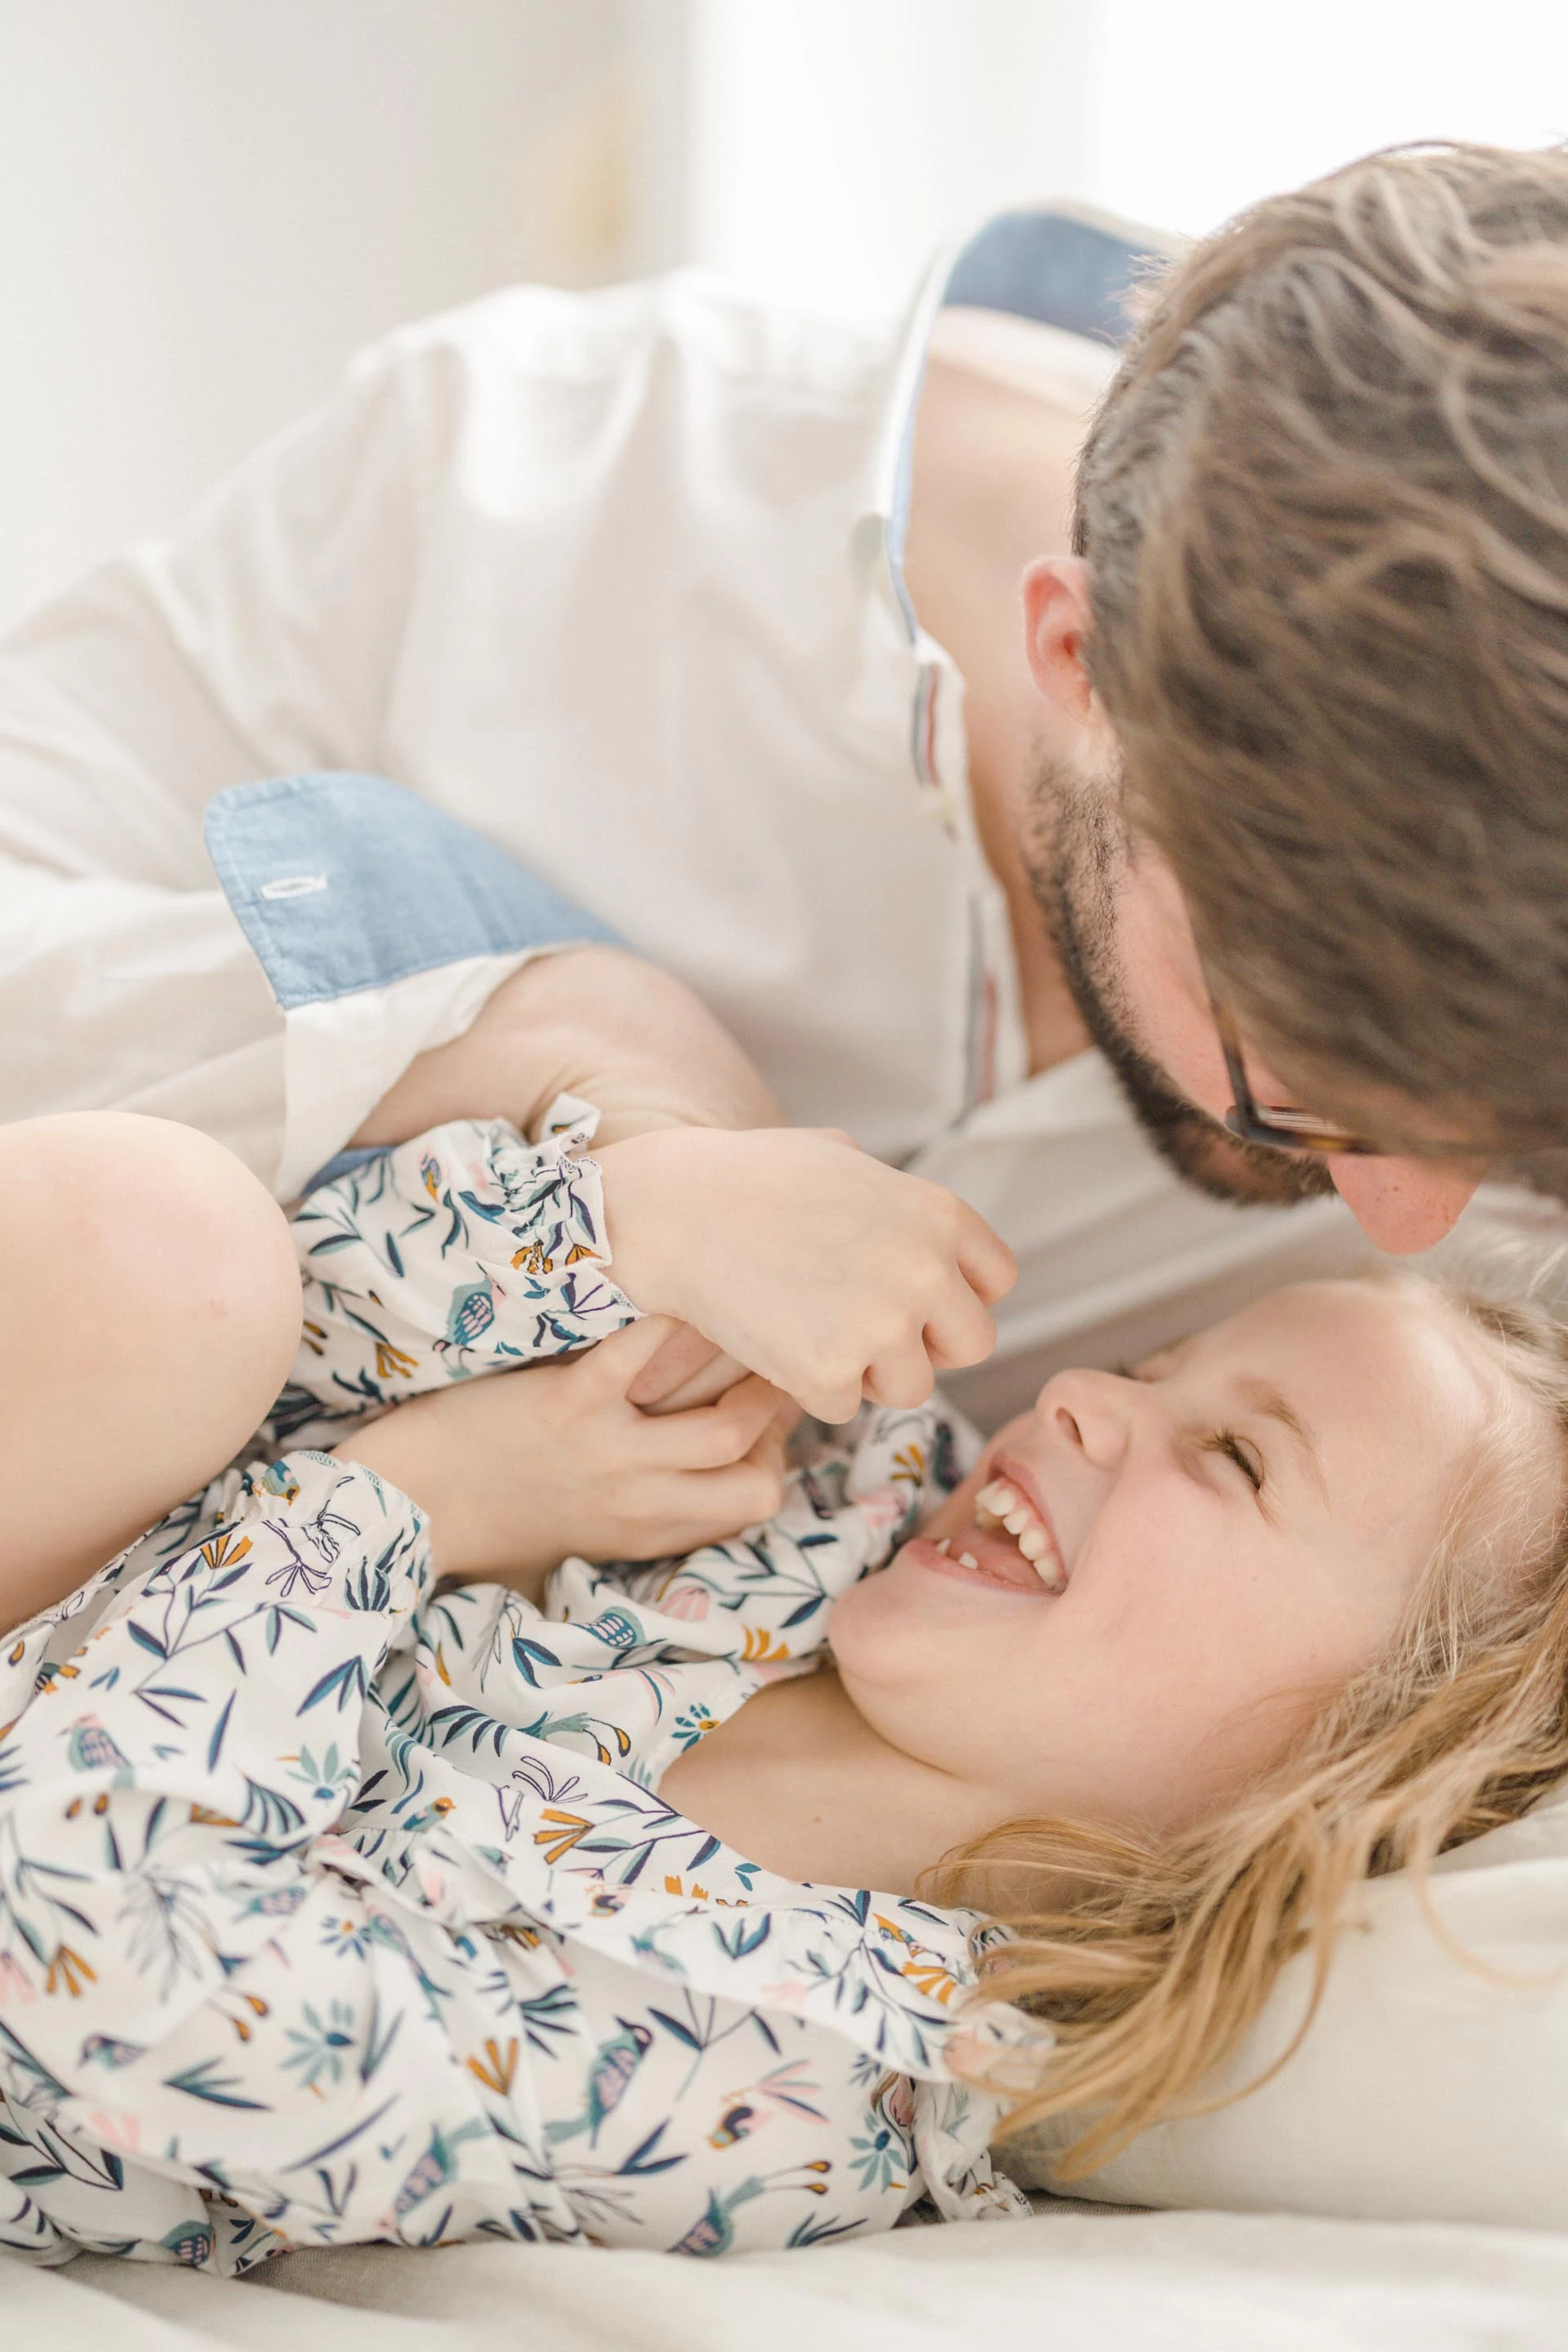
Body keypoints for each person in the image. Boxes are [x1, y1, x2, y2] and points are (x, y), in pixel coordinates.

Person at [8, 160, 1516, 1447]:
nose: (1407, 1230)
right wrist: (551, 1072)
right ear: (1081, 652)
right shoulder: (528, 469)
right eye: (1307, 1081)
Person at [3, 1076, 1567, 2270]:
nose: (1085, 1390)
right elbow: (313, 1306)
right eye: (1160, 1370)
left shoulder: (803, 2086)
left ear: (1349, 1766)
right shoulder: (839, 1474)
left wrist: (413, 1504)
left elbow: (102, 1959)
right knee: (172, 1247)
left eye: (1233, 1457)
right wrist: (659, 1219)